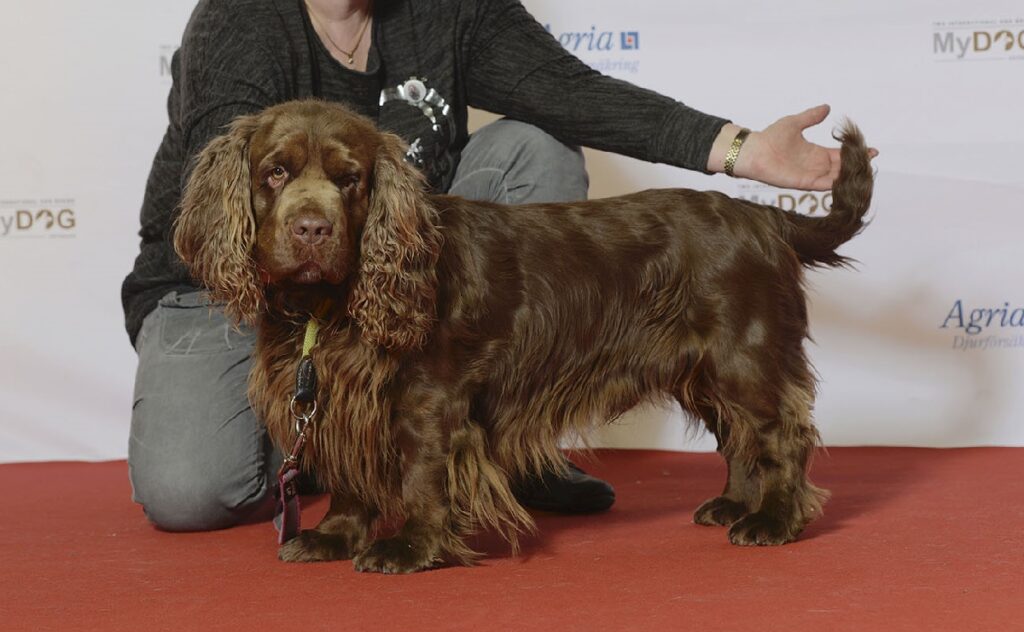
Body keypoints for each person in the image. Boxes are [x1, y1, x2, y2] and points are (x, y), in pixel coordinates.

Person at [122, 0, 866, 532]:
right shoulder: (239, 20)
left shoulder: (451, 10)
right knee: (192, 491)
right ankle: (343, 447)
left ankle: (507, 426)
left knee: (536, 143)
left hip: (391, 266)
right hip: (232, 288)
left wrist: (743, 151)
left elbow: (578, 95)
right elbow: (220, 198)